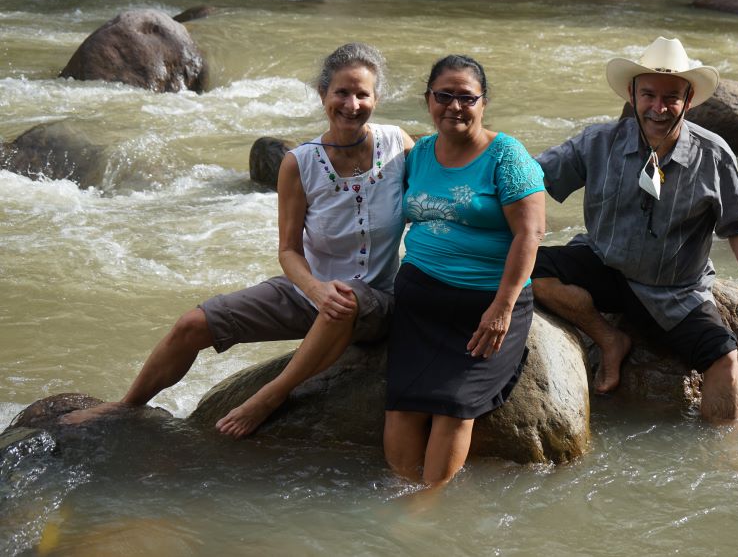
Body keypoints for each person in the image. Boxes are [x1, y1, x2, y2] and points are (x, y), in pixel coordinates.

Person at [64, 42, 413, 436]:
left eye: (362, 94)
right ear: (322, 95)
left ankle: (271, 395)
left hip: (374, 302)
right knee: (192, 324)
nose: (352, 104)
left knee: (343, 301)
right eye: (341, 93)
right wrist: (314, 290)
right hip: (308, 292)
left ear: (376, 98)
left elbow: (435, 199)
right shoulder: (300, 163)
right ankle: (127, 404)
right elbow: (288, 251)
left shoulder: (397, 144)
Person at [530, 36, 738, 423]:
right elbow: (532, 177)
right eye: (648, 95)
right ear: (632, 94)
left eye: (671, 98)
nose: (658, 108)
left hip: (676, 290)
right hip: (605, 263)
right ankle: (610, 339)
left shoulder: (712, 154)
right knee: (529, 269)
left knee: (725, 361)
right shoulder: (599, 141)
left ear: (689, 99)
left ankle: (726, 464)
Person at [382, 55, 546, 488]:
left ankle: (427, 506)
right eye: (444, 96)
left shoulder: (506, 156)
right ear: (428, 100)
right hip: (421, 300)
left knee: (455, 405)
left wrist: (502, 308)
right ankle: (400, 492)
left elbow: (530, 235)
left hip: (485, 302)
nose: (454, 106)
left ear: (483, 103)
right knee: (403, 403)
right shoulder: (418, 153)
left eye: (466, 98)